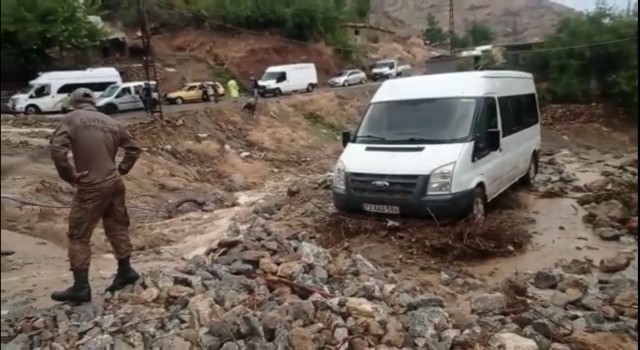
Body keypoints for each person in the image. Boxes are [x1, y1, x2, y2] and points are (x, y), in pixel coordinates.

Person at [49, 88, 143, 303]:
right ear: (94, 101)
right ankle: (126, 271)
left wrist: (69, 175)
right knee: (117, 227)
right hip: (115, 183)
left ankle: (81, 287)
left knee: (78, 235)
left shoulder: (71, 118)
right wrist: (122, 169)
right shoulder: (111, 122)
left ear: (74, 102)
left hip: (92, 185)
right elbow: (134, 148)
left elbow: (57, 150)